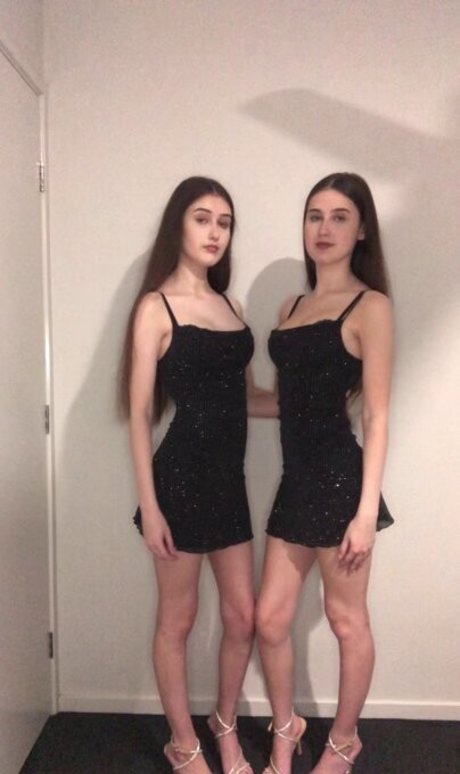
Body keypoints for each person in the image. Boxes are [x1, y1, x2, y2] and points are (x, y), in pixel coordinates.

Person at [120, 177, 262, 773]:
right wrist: (150, 507)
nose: (214, 232)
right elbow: (138, 414)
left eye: (224, 223)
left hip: (228, 485)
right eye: (202, 218)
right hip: (177, 482)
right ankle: (182, 744)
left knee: (243, 616)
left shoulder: (231, 306)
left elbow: (246, 397)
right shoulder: (156, 307)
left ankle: (223, 725)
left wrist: (321, 400)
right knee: (176, 620)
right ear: (178, 224)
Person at [255, 172, 394, 774]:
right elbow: (289, 402)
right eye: (315, 215)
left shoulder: (372, 306)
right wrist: (220, 391)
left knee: (345, 621)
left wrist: (365, 515)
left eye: (340, 217)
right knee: (268, 620)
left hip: (341, 482)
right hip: (296, 482)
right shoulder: (290, 307)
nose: (325, 228)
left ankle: (343, 742)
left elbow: (378, 415)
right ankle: (287, 727)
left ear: (361, 230)